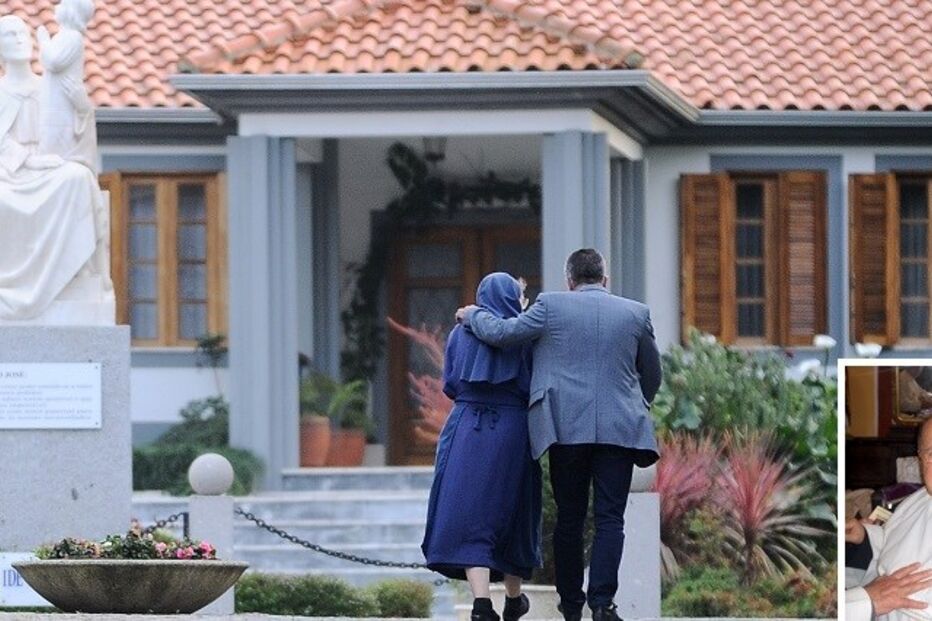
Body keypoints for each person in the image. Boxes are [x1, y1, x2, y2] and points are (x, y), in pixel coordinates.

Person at [457, 249, 662, 621]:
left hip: (565, 428)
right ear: (605, 279)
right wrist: (634, 403)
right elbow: (652, 374)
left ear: (570, 280)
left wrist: (473, 315)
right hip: (620, 429)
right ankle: (603, 604)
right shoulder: (635, 313)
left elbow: (503, 334)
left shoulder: (550, 306)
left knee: (570, 518)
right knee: (610, 519)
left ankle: (571, 606)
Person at [422, 272, 542, 621]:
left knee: (471, 513)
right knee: (514, 509)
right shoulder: (523, 337)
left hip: (467, 428)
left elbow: (450, 384)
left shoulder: (459, 334)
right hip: (513, 429)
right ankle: (513, 598)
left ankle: (481, 604)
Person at [0, 14, 109, 322]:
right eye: (9, 34)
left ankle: (72, 272)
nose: (19, 39)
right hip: (10, 171)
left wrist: (83, 107)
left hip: (51, 167)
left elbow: (76, 131)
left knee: (78, 177)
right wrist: (27, 160)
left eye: (23, 33)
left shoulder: (47, 86)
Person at [846, 417, 932, 620]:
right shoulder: (917, 501)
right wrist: (865, 538)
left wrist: (866, 602)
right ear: (919, 459)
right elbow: (891, 546)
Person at [37, 0, 97, 172]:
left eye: (63, 4)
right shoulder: (63, 36)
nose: (57, 7)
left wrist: (43, 41)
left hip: (62, 105)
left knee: (56, 148)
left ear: (71, 11)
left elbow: (54, 61)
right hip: (53, 102)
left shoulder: (72, 37)